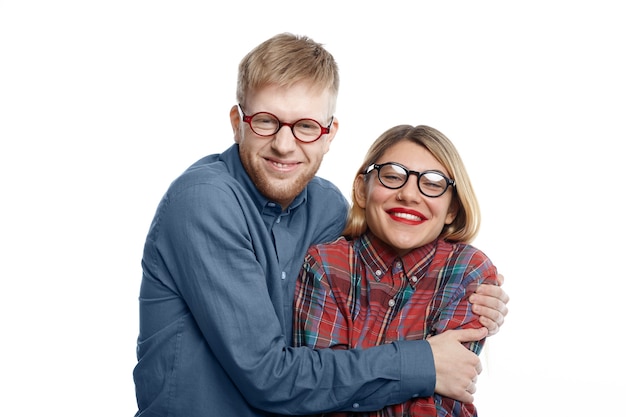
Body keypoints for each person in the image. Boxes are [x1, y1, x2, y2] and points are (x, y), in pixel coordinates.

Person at [133, 33, 509, 417]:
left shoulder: (328, 208)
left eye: (307, 126)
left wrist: (475, 292)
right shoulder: (204, 201)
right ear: (237, 123)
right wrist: (424, 364)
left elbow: (381, 287)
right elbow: (268, 376)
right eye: (265, 121)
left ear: (329, 135)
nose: (284, 144)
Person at [293, 124, 498, 417]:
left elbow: (439, 404)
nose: (409, 195)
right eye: (392, 176)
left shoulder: (467, 272)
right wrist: (422, 369)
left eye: (433, 183)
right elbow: (317, 390)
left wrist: (350, 377)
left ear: (452, 209)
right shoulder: (325, 264)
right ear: (362, 190)